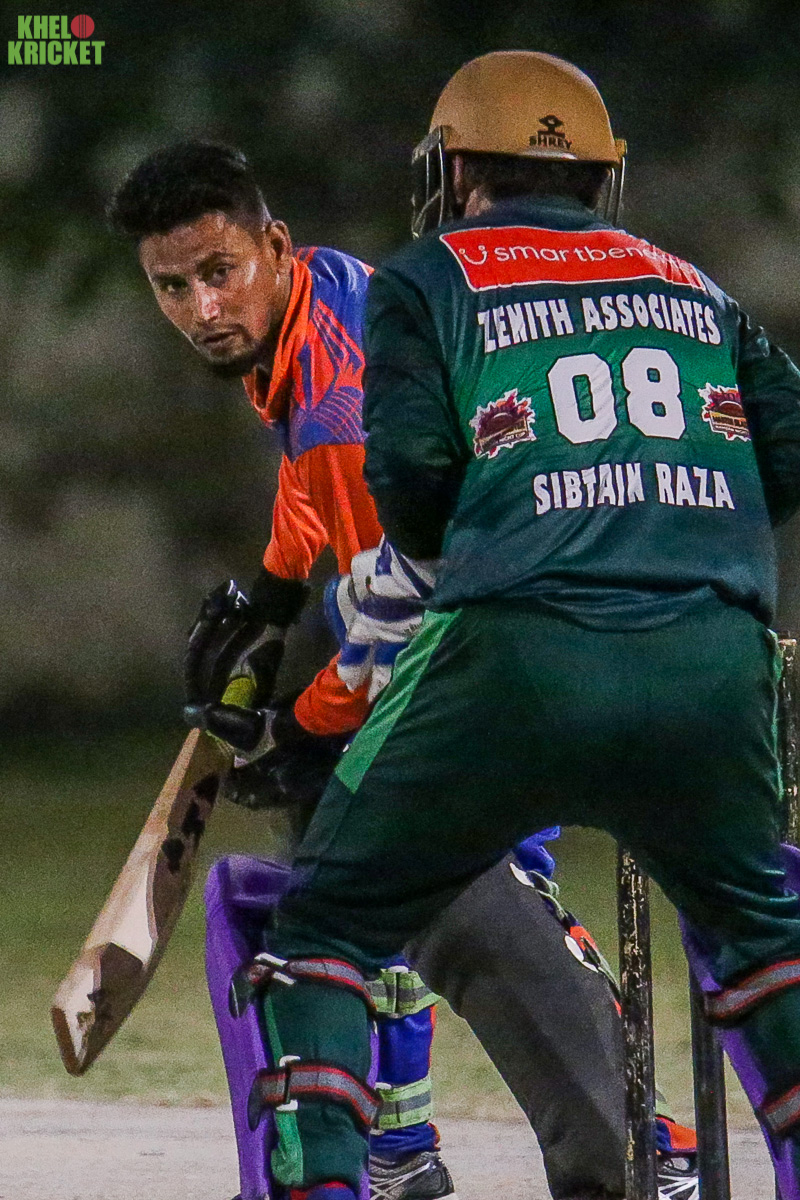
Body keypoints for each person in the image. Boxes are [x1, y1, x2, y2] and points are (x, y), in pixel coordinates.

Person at [150, 49, 800, 1200]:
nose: (203, 308)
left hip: (515, 654)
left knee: (327, 918)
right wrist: (273, 587)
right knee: (762, 942)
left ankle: (379, 1162)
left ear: (450, 171)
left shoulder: (420, 280)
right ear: (602, 175)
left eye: (217, 273)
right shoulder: (690, 285)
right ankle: (555, 1145)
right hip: (711, 659)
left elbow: (407, 504)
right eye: (177, 286)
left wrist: (304, 722)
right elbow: (784, 453)